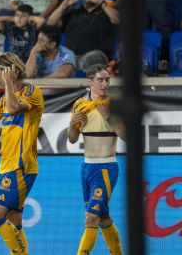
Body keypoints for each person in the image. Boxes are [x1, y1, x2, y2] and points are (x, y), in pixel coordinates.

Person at [0, 52, 44, 255]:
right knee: (14, 220)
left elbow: (15, 109)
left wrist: (8, 84)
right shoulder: (5, 98)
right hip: (6, 166)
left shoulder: (32, 92)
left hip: (21, 166)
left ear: (10, 71)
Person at [67, 64, 124, 255]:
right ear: (90, 82)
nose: (105, 84)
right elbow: (72, 139)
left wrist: (110, 118)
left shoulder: (114, 104)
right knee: (103, 218)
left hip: (106, 167)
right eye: (100, 80)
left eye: (107, 79)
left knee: (90, 218)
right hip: (87, 168)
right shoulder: (80, 104)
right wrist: (72, 126)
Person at [47, 0, 119, 69]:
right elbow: (50, 23)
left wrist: (102, 3)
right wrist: (64, 4)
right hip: (71, 58)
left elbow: (117, 19)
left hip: (95, 58)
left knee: (93, 58)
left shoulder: (107, 12)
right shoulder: (72, 12)